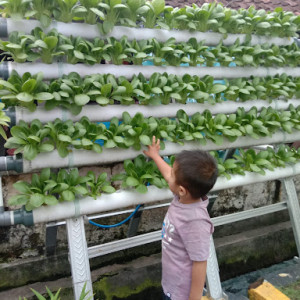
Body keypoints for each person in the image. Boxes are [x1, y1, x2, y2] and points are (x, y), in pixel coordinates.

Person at [143, 136, 218, 300]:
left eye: (173, 173)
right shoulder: (183, 196)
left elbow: (200, 262)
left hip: (181, 294)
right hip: (170, 283)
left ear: (182, 190)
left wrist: (194, 298)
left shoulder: (196, 221)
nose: (169, 174)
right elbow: (169, 175)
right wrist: (155, 155)